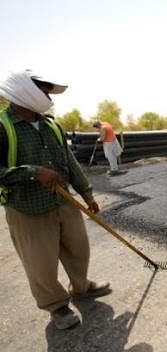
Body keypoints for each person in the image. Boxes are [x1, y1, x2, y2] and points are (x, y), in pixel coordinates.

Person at [0, 69, 110, 330]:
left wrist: (86, 193)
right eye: (44, 90)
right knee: (41, 263)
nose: (48, 97)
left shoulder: (51, 124)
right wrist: (33, 172)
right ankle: (56, 306)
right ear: (24, 90)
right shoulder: (3, 127)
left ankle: (81, 287)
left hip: (64, 202)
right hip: (28, 208)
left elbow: (69, 161)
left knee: (78, 248)